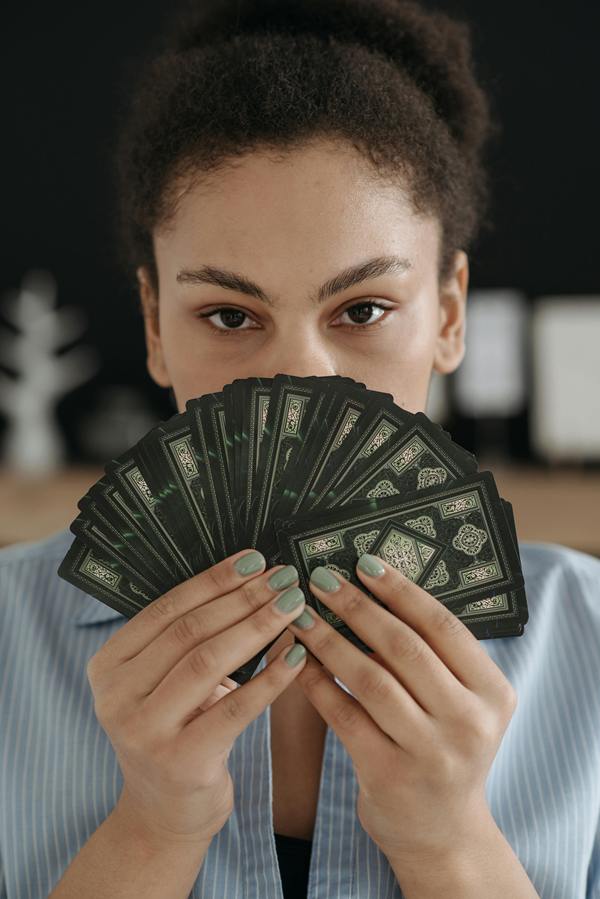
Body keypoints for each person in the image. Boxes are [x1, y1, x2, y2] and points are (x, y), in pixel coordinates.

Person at [1, 0, 599, 897]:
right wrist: (155, 825)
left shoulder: (588, 634)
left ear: (448, 313)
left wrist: (448, 842)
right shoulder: (8, 633)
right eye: (228, 315)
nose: (300, 375)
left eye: (363, 309)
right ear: (155, 326)